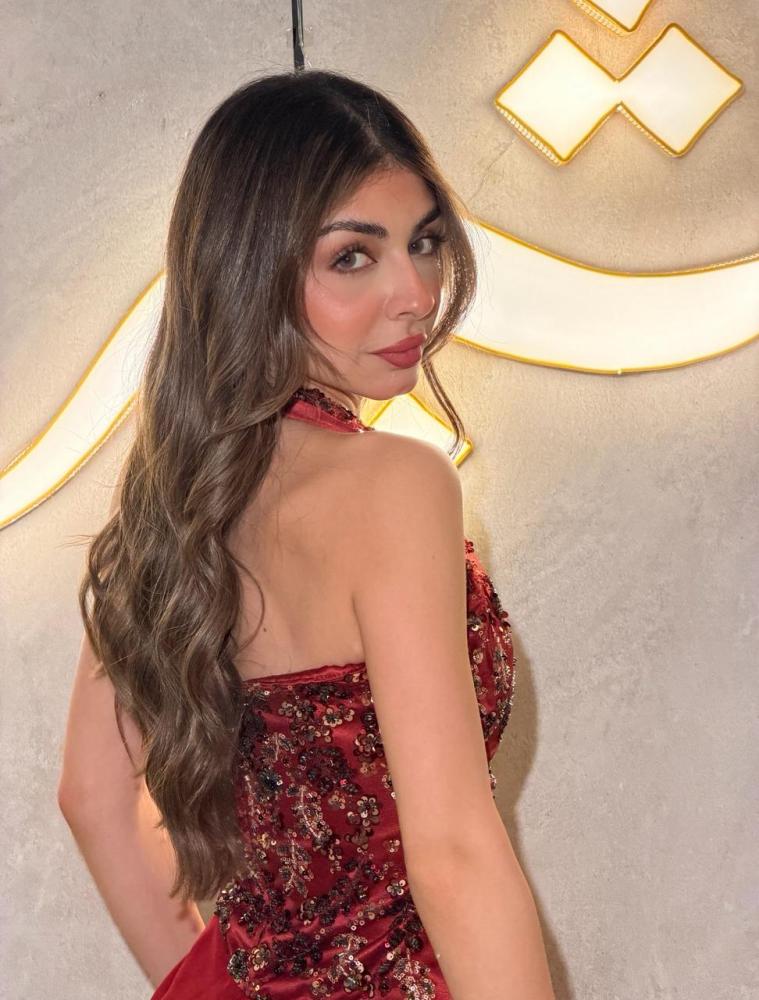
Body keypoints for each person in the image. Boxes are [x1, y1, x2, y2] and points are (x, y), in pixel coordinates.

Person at [57, 69, 556, 1000]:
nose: (414, 293)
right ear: (249, 271)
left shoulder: (168, 507)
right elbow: (451, 852)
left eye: (424, 242)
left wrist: (237, 978)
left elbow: (92, 798)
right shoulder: (397, 483)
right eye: (352, 257)